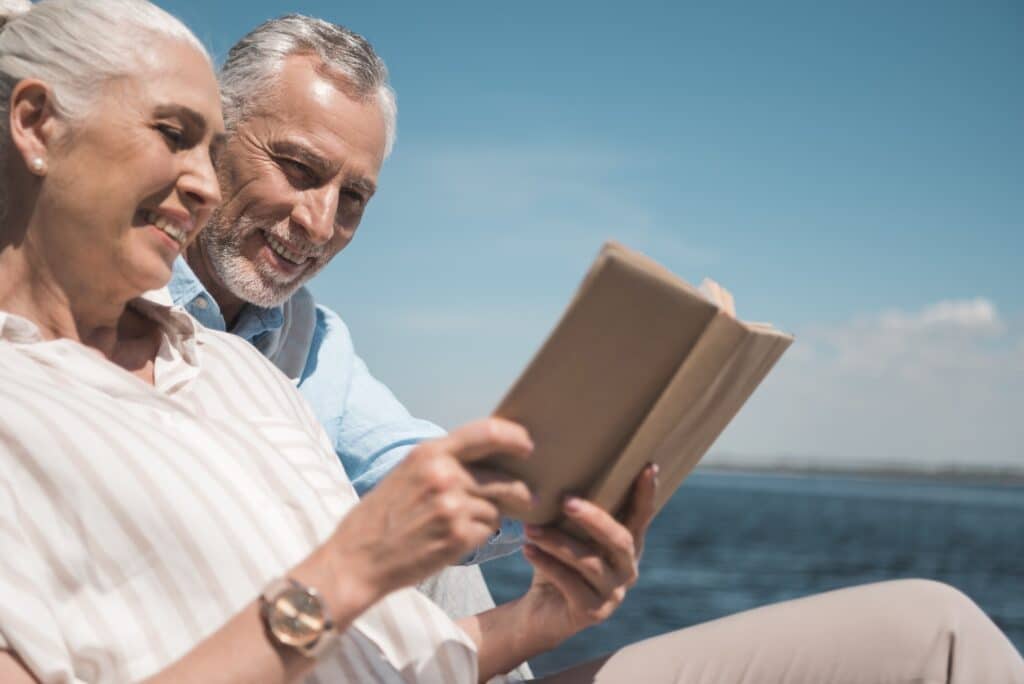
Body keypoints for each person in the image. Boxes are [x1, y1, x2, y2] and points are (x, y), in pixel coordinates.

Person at [2, 2, 1022, 683]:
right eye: (176, 137)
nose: (317, 224)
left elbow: (418, 517)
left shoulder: (253, 365)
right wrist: (351, 568)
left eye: (354, 198)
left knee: (939, 635)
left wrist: (549, 603)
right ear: (37, 127)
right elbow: (347, 577)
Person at [162, 14, 517, 633]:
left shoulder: (311, 338)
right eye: (298, 169)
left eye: (353, 197)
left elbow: (408, 463)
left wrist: (562, 492)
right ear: (213, 137)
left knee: (445, 561)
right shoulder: (109, 288)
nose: (321, 224)